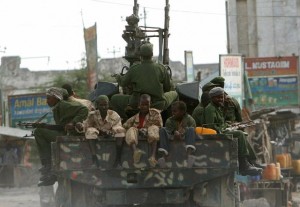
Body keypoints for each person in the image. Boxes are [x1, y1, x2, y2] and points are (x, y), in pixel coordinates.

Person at [34, 87, 89, 186]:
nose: (47, 101)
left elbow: (84, 110)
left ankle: (47, 164)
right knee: (40, 130)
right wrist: (45, 126)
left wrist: (73, 122)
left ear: (56, 97)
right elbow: (61, 127)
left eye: (48, 98)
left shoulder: (63, 105)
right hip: (65, 133)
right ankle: (49, 169)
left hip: (71, 135)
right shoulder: (56, 108)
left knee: (38, 132)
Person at [202, 87, 262, 176]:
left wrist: (230, 125)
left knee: (243, 135)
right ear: (212, 98)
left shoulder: (218, 107)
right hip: (215, 135)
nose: (220, 99)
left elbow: (220, 123)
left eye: (221, 97)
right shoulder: (210, 109)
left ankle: (250, 162)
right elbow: (211, 127)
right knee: (239, 134)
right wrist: (226, 127)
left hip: (221, 131)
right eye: (217, 97)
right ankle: (244, 165)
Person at [111, 42, 178, 119]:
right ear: (152, 54)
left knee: (114, 99)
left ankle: (126, 119)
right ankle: (170, 121)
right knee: (175, 94)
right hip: (158, 104)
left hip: (136, 103)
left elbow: (123, 83)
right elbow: (167, 87)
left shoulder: (134, 69)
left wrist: (118, 76)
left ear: (140, 55)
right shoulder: (161, 68)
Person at [76, 95, 125, 168]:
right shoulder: (92, 115)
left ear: (108, 105)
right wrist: (80, 126)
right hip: (97, 134)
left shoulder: (114, 115)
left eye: (105, 105)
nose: (103, 107)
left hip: (111, 135)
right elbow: (85, 125)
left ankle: (118, 159)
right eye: (101, 105)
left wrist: (110, 132)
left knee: (120, 131)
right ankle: (94, 158)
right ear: (97, 106)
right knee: (90, 130)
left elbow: (119, 127)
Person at [123, 94, 163, 167]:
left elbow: (160, 126)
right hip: (138, 135)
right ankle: (135, 151)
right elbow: (125, 126)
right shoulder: (135, 117)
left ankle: (153, 156)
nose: (144, 107)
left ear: (150, 104)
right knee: (131, 129)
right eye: (142, 104)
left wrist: (146, 130)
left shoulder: (155, 113)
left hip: (152, 134)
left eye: (146, 104)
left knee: (153, 128)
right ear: (139, 105)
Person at [158, 101, 197, 168]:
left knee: (191, 129)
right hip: (171, 140)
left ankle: (189, 157)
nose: (173, 113)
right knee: (162, 130)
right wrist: (174, 132)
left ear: (182, 112)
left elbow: (193, 131)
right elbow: (168, 130)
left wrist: (182, 133)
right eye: (172, 111)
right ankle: (164, 157)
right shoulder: (169, 120)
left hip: (185, 139)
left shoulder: (190, 119)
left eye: (175, 111)